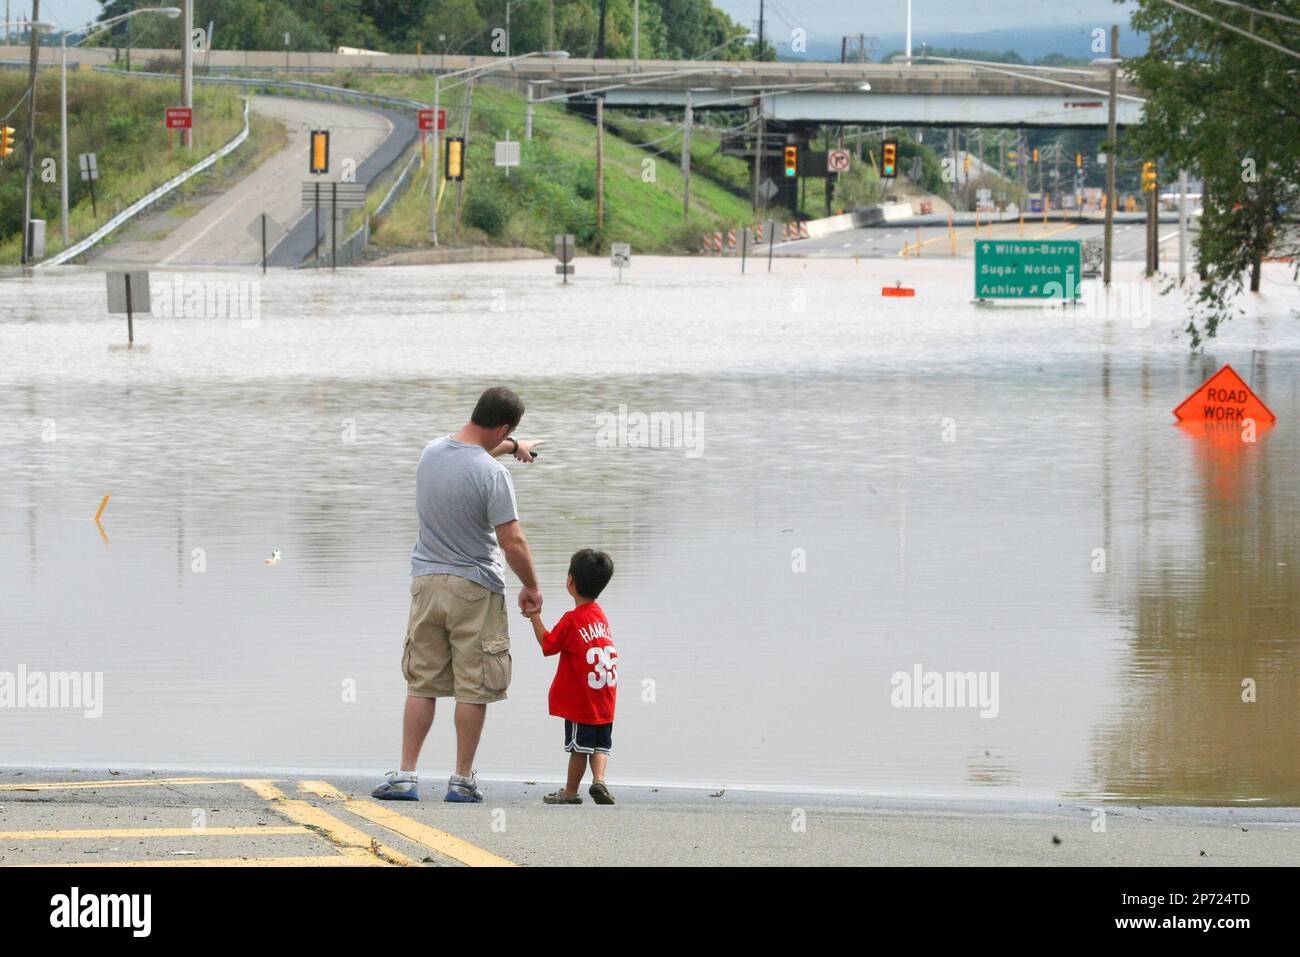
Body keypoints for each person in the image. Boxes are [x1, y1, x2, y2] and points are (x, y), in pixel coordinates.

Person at [372, 387, 542, 803]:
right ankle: (461, 780)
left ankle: (406, 775)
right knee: (474, 686)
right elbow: (512, 541)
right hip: (474, 587)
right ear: (503, 426)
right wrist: (532, 586)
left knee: (422, 683)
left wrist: (514, 446)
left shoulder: (431, 452)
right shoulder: (493, 475)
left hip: (427, 584)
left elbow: (471, 455)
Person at [526, 549, 618, 805]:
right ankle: (599, 779)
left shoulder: (573, 620)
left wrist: (534, 616)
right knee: (600, 744)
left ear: (570, 582)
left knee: (578, 748)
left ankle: (570, 791)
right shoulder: (600, 616)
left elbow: (548, 645)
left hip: (583, 699)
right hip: (605, 695)